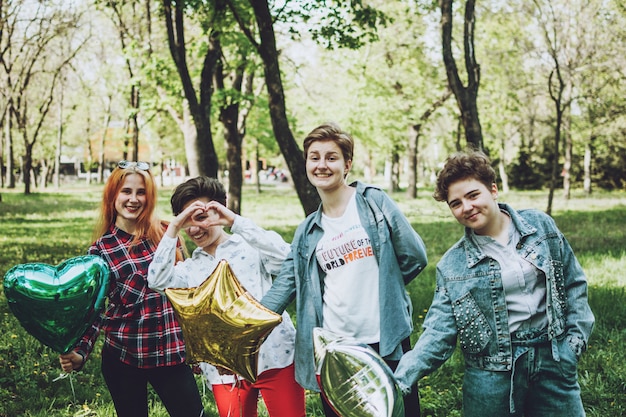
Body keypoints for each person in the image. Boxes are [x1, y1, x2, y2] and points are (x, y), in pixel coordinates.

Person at [394, 150, 595, 417]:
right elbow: (438, 333)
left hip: (554, 362)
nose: (466, 207)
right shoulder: (453, 265)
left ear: (493, 190)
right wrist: (400, 378)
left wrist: (574, 342)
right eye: (455, 203)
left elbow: (573, 283)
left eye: (473, 195)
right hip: (491, 375)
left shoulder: (541, 227)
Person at [259, 122, 428, 417]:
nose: (322, 165)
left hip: (385, 338)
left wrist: (390, 287)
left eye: (331, 157)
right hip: (335, 349)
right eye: (314, 157)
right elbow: (284, 286)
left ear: (347, 164)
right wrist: (241, 331)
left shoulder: (374, 203)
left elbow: (414, 255)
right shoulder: (308, 230)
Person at [147, 176, 305, 417]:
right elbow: (156, 279)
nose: (194, 229)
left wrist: (235, 221)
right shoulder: (189, 269)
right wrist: (172, 229)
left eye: (200, 218)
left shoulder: (250, 247)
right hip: (225, 369)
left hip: (275, 358)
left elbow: (288, 259)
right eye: (186, 221)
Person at [59, 161, 206, 417]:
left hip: (170, 353)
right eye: (126, 191)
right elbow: (94, 311)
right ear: (113, 195)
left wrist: (198, 347)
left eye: (141, 192)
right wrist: (81, 352)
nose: (134, 199)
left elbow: (189, 293)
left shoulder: (166, 233)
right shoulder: (100, 251)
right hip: (125, 356)